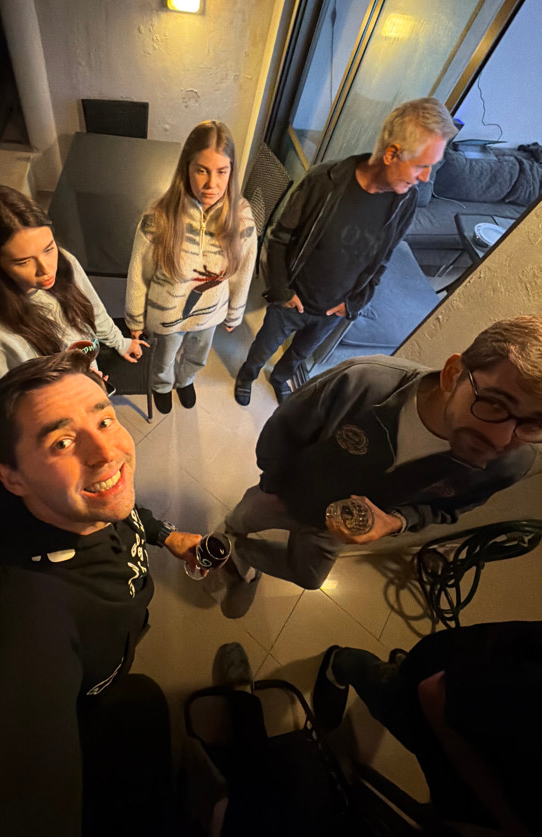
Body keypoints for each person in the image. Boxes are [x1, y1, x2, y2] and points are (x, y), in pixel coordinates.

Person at [0, 351, 203, 836]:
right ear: (12, 477)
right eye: (62, 442)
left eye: (104, 420)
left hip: (107, 667)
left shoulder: (84, 503)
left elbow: (126, 511)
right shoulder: (22, 609)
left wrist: (167, 536)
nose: (106, 452)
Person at [222, 316, 542, 615]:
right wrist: (274, 484)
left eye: (534, 424)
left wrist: (396, 522)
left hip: (335, 530)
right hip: (285, 494)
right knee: (239, 521)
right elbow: (284, 429)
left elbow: (446, 509)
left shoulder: (511, 464)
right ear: (452, 374)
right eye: (494, 403)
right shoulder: (364, 381)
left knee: (309, 577)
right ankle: (228, 548)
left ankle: (242, 557)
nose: (502, 440)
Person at [234, 98, 458, 406]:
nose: (425, 178)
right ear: (391, 154)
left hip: (333, 311)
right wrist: (282, 290)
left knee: (299, 354)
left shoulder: (405, 202)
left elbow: (383, 260)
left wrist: (353, 303)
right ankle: (247, 375)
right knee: (263, 346)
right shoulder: (324, 181)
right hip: (292, 301)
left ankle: (279, 377)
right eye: (422, 165)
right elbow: (279, 237)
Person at [312, 622, 542, 835]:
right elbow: (435, 693)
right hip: (449, 687)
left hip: (476, 695)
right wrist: (506, 817)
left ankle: (402, 668)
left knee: (414, 689)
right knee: (395, 696)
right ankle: (343, 663)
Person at [0, 184, 145, 410]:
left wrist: (120, 343)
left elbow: (93, 309)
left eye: (48, 249)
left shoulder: (65, 263)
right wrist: (65, 398)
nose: (46, 269)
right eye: (23, 261)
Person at [126, 120, 256, 414]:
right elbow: (138, 274)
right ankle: (161, 385)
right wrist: (135, 320)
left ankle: (185, 380)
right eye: (202, 170)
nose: (212, 184)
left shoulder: (242, 217)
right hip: (167, 315)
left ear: (232, 171)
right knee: (163, 357)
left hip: (210, 313)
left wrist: (235, 311)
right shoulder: (158, 216)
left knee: (198, 354)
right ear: (186, 167)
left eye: (222, 171)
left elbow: (243, 270)